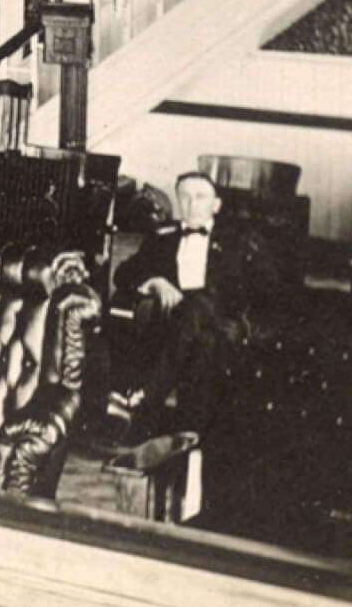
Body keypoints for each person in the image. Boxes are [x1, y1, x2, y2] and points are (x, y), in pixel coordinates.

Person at [111, 171, 280, 440]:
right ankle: (191, 439)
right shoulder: (162, 238)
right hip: (180, 326)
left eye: (200, 197)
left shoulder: (240, 241)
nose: (191, 204)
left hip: (227, 322)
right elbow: (123, 275)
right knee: (203, 344)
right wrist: (155, 281)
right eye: (185, 197)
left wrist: (245, 316)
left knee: (200, 304)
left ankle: (147, 396)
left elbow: (270, 291)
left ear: (216, 205)